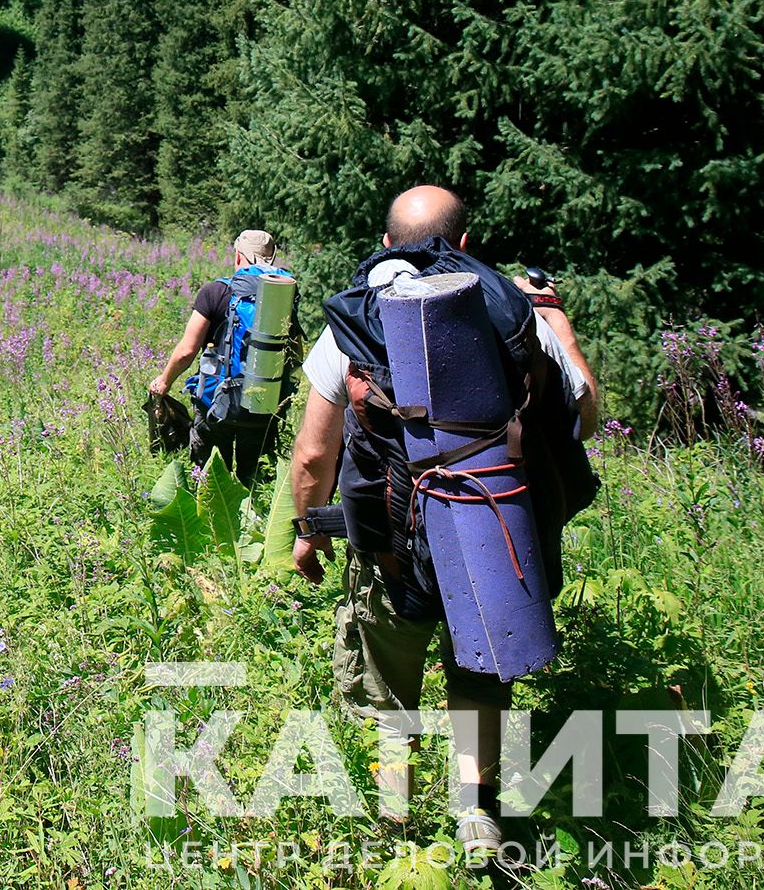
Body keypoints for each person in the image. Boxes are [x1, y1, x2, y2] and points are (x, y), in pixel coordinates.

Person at [284, 186, 598, 858]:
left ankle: (395, 809)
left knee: (389, 676)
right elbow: (584, 416)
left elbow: (313, 451)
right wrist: (557, 319)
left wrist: (309, 531)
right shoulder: (512, 314)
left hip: (392, 543)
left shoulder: (357, 323)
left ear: (386, 242)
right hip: (492, 534)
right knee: (478, 672)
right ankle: (475, 811)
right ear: (464, 245)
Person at [147, 229, 293, 483]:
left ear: (238, 255)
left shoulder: (215, 292)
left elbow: (187, 350)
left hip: (216, 403)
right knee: (254, 479)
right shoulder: (283, 295)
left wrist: (164, 381)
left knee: (212, 481)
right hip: (265, 404)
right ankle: (253, 518)